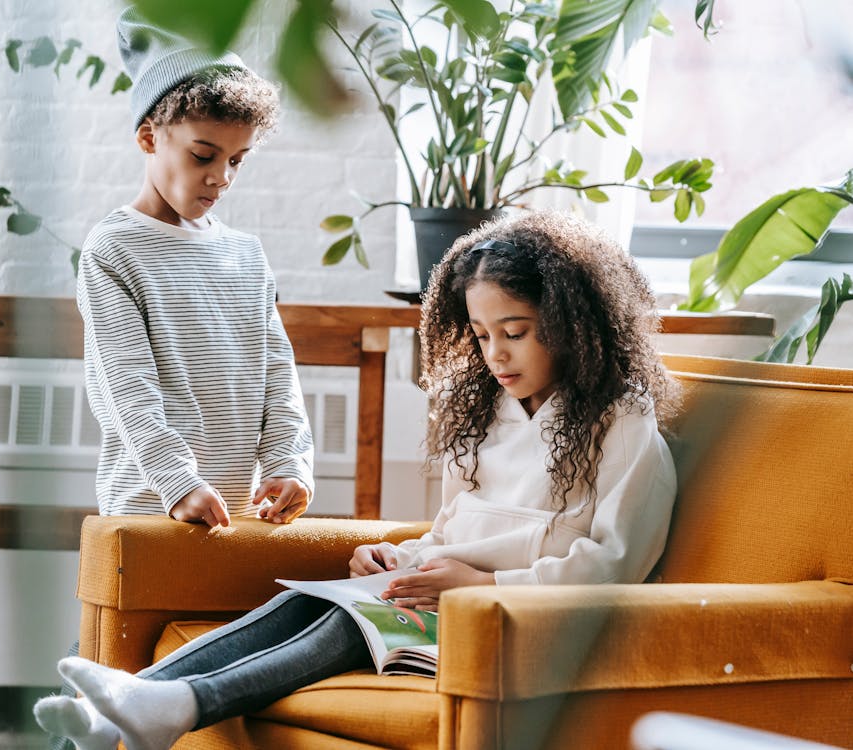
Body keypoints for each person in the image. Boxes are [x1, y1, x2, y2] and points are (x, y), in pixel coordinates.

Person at [35, 210, 680, 750]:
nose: (496, 355)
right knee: (310, 601)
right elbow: (457, 530)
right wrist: (400, 556)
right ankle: (122, 712)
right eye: (481, 336)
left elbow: (613, 568)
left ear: (572, 325)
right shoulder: (492, 411)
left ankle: (176, 705)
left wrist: (484, 586)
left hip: (519, 620)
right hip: (448, 598)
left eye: (515, 332)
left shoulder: (623, 424)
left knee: (352, 624)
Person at [79, 7, 314, 528]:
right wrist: (178, 481)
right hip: (149, 509)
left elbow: (278, 373)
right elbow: (126, 385)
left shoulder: (246, 255)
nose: (221, 177)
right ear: (149, 138)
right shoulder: (114, 249)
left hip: (232, 513)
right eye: (203, 155)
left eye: (237, 160)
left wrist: (287, 461)